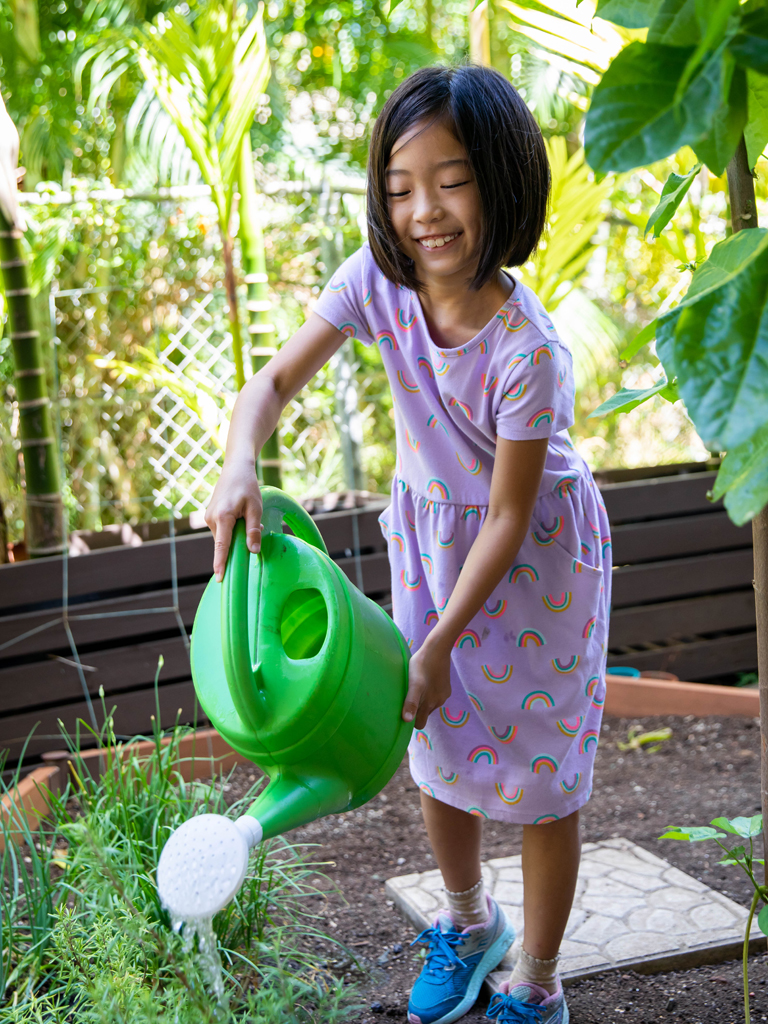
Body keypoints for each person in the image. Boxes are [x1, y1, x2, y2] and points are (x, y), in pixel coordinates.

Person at [205, 63, 610, 1024]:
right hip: (434, 544)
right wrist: (238, 457)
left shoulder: (528, 350)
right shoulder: (375, 287)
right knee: (436, 746)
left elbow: (509, 516)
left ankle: (538, 984)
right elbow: (268, 385)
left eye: (451, 178)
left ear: (503, 178)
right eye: (399, 186)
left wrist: (435, 642)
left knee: (543, 780)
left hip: (534, 563)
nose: (424, 209)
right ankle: (469, 925)